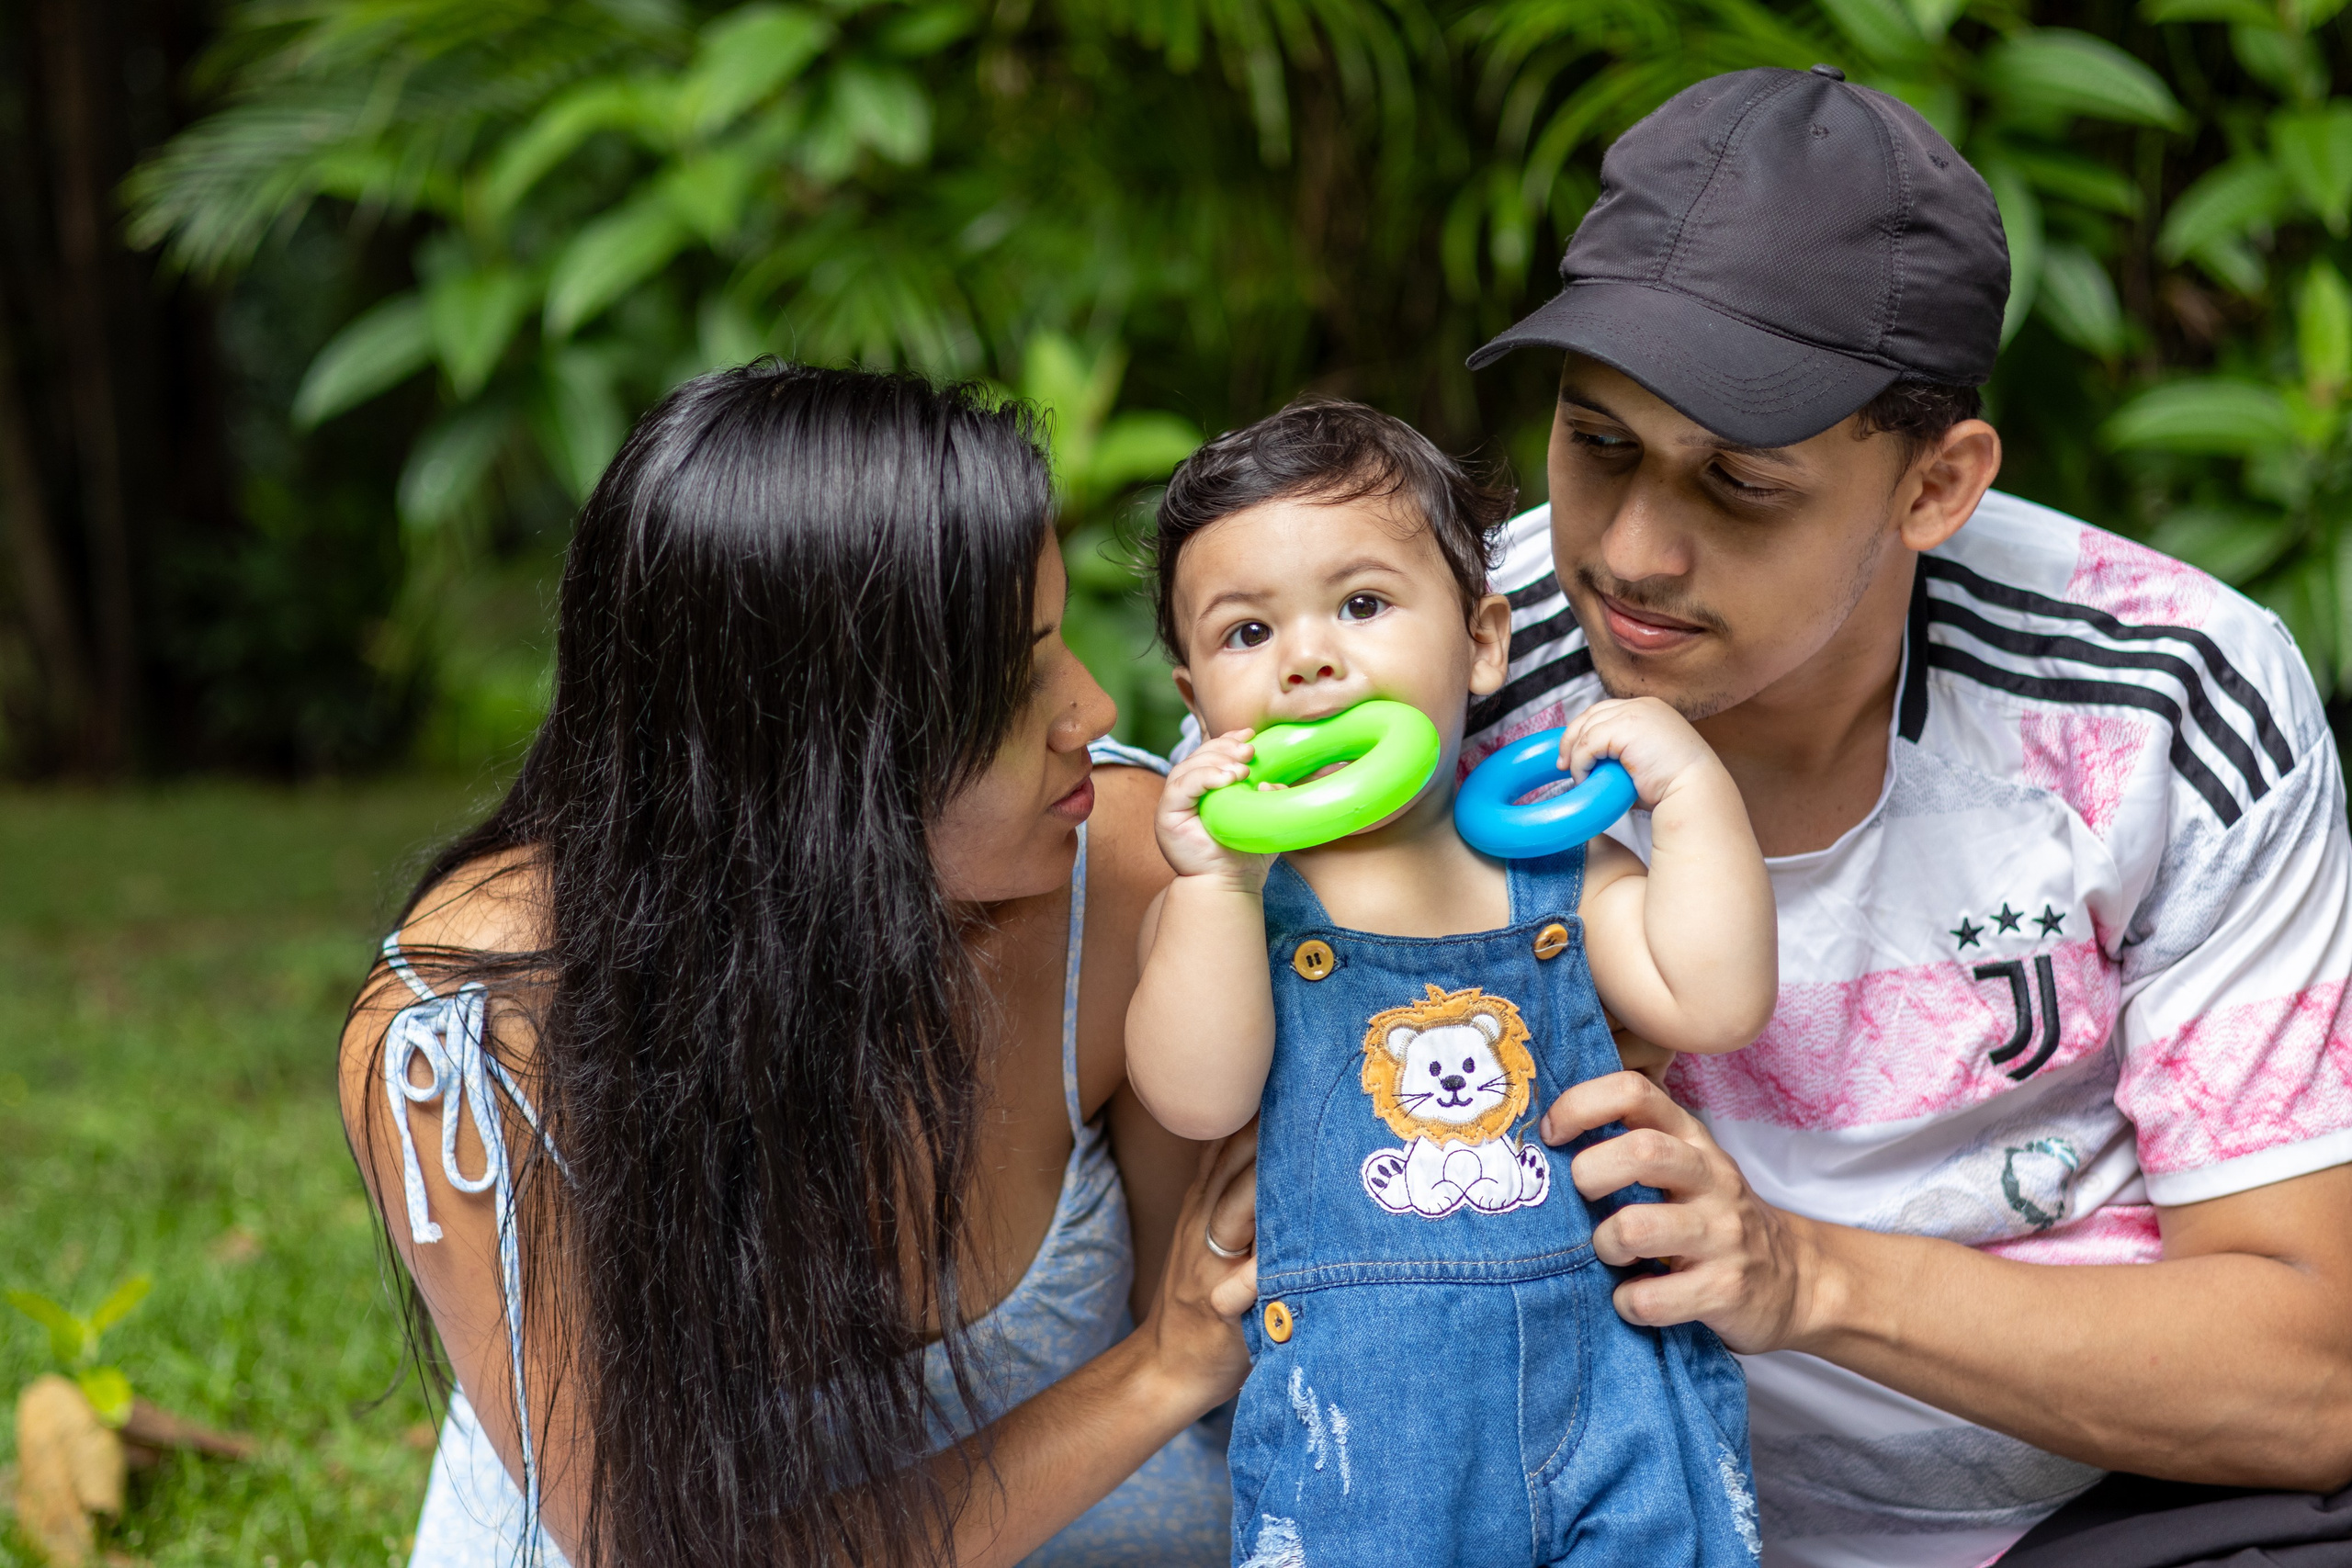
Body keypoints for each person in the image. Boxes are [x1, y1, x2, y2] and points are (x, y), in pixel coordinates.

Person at [1453, 62, 2352, 1568]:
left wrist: (1800, 1274)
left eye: (1737, 482)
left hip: (2101, 1508)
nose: (1628, 550)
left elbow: (2313, 1369)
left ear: (1937, 485)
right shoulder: (1452, 664)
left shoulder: (2162, 696)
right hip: (1601, 1496)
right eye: (1595, 441)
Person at [335, 363, 1258, 1568]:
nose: (1088, 703)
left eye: (1060, 635)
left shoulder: (1124, 872)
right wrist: (1155, 1373)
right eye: (1015, 676)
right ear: (815, 764)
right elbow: (645, 1547)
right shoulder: (473, 1043)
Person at [1128, 400, 1775, 1564]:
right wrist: (1215, 892)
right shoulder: (1231, 909)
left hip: (1613, 1385)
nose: (1309, 655)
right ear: (1194, 704)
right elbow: (1197, 1098)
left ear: (1482, 642)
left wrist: (1688, 792)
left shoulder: (1560, 874)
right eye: (1245, 634)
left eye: (1362, 605)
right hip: (1359, 1438)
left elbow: (1713, 1001)